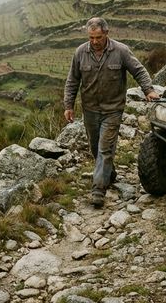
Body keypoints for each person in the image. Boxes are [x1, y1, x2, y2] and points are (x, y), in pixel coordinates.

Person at [64, 17, 159, 207]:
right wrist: (68, 105)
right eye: (91, 38)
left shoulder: (121, 51)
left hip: (113, 109)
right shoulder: (80, 52)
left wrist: (149, 90)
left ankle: (98, 189)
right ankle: (110, 173)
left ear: (106, 34)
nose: (95, 41)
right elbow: (73, 80)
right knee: (94, 147)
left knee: (105, 148)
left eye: (98, 37)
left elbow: (138, 70)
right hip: (90, 109)